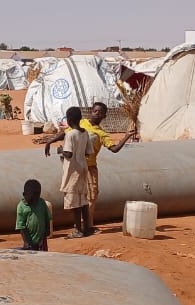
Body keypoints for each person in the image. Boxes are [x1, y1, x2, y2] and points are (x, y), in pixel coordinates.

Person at [79, 102, 131, 231]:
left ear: (104, 116)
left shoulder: (102, 134)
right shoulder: (81, 123)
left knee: (92, 195)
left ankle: (87, 224)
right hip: (77, 165)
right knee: (78, 194)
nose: (97, 114)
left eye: (100, 112)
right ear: (91, 111)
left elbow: (114, 149)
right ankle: (81, 224)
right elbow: (68, 133)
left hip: (90, 167)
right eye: (95, 111)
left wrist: (126, 137)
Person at [45, 106, 94, 238]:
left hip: (72, 171)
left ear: (69, 119)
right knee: (83, 200)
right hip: (83, 168)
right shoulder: (84, 133)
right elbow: (88, 152)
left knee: (74, 202)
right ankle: (87, 227)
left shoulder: (71, 135)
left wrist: (60, 150)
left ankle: (78, 229)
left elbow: (68, 153)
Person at [16, 179, 51, 251]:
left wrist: (48, 229)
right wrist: (25, 242)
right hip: (29, 241)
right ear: (24, 194)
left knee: (43, 257)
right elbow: (21, 226)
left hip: (42, 238)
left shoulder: (41, 202)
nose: (34, 202)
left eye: (36, 199)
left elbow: (47, 217)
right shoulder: (21, 206)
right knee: (32, 258)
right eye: (31, 199)